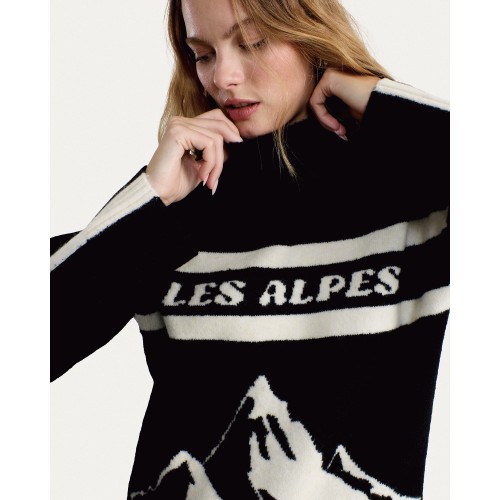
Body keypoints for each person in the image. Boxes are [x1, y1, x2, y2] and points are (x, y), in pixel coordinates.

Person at [51, 0, 449, 498]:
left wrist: (375, 97)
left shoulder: (417, 189)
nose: (223, 77)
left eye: (253, 42)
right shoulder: (182, 192)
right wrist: (151, 199)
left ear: (310, 33)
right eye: (203, 54)